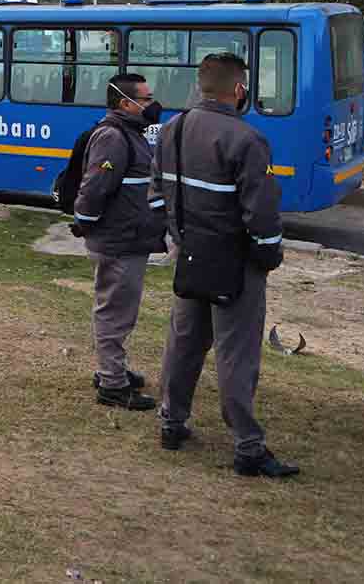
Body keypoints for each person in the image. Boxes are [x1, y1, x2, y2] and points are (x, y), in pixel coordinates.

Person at [148, 52, 298, 478]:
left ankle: (171, 422)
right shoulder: (247, 140)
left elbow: (157, 191)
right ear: (238, 90)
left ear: (201, 86)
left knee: (184, 341)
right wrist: (269, 254)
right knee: (236, 353)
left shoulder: (172, 129)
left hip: (189, 254)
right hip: (234, 262)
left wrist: (177, 236)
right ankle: (248, 447)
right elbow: (262, 212)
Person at [72, 73, 168, 411]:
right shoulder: (113, 137)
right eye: (145, 98)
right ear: (124, 102)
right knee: (115, 311)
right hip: (118, 239)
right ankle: (112, 383)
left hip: (130, 236)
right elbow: (95, 186)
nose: (152, 104)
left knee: (119, 308)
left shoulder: (131, 133)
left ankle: (113, 369)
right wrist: (84, 221)